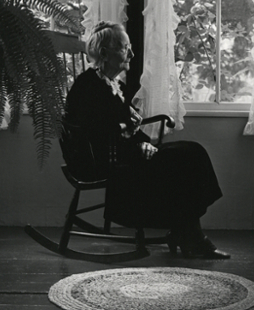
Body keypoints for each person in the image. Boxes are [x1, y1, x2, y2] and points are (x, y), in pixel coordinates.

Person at [64, 21, 230, 259]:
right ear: (104, 53)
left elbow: (126, 125)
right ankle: (190, 236)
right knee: (184, 157)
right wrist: (136, 145)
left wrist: (143, 142)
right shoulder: (88, 86)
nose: (131, 53)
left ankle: (185, 230)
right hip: (101, 160)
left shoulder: (112, 85)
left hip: (122, 152)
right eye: (124, 47)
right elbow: (97, 133)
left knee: (191, 151)